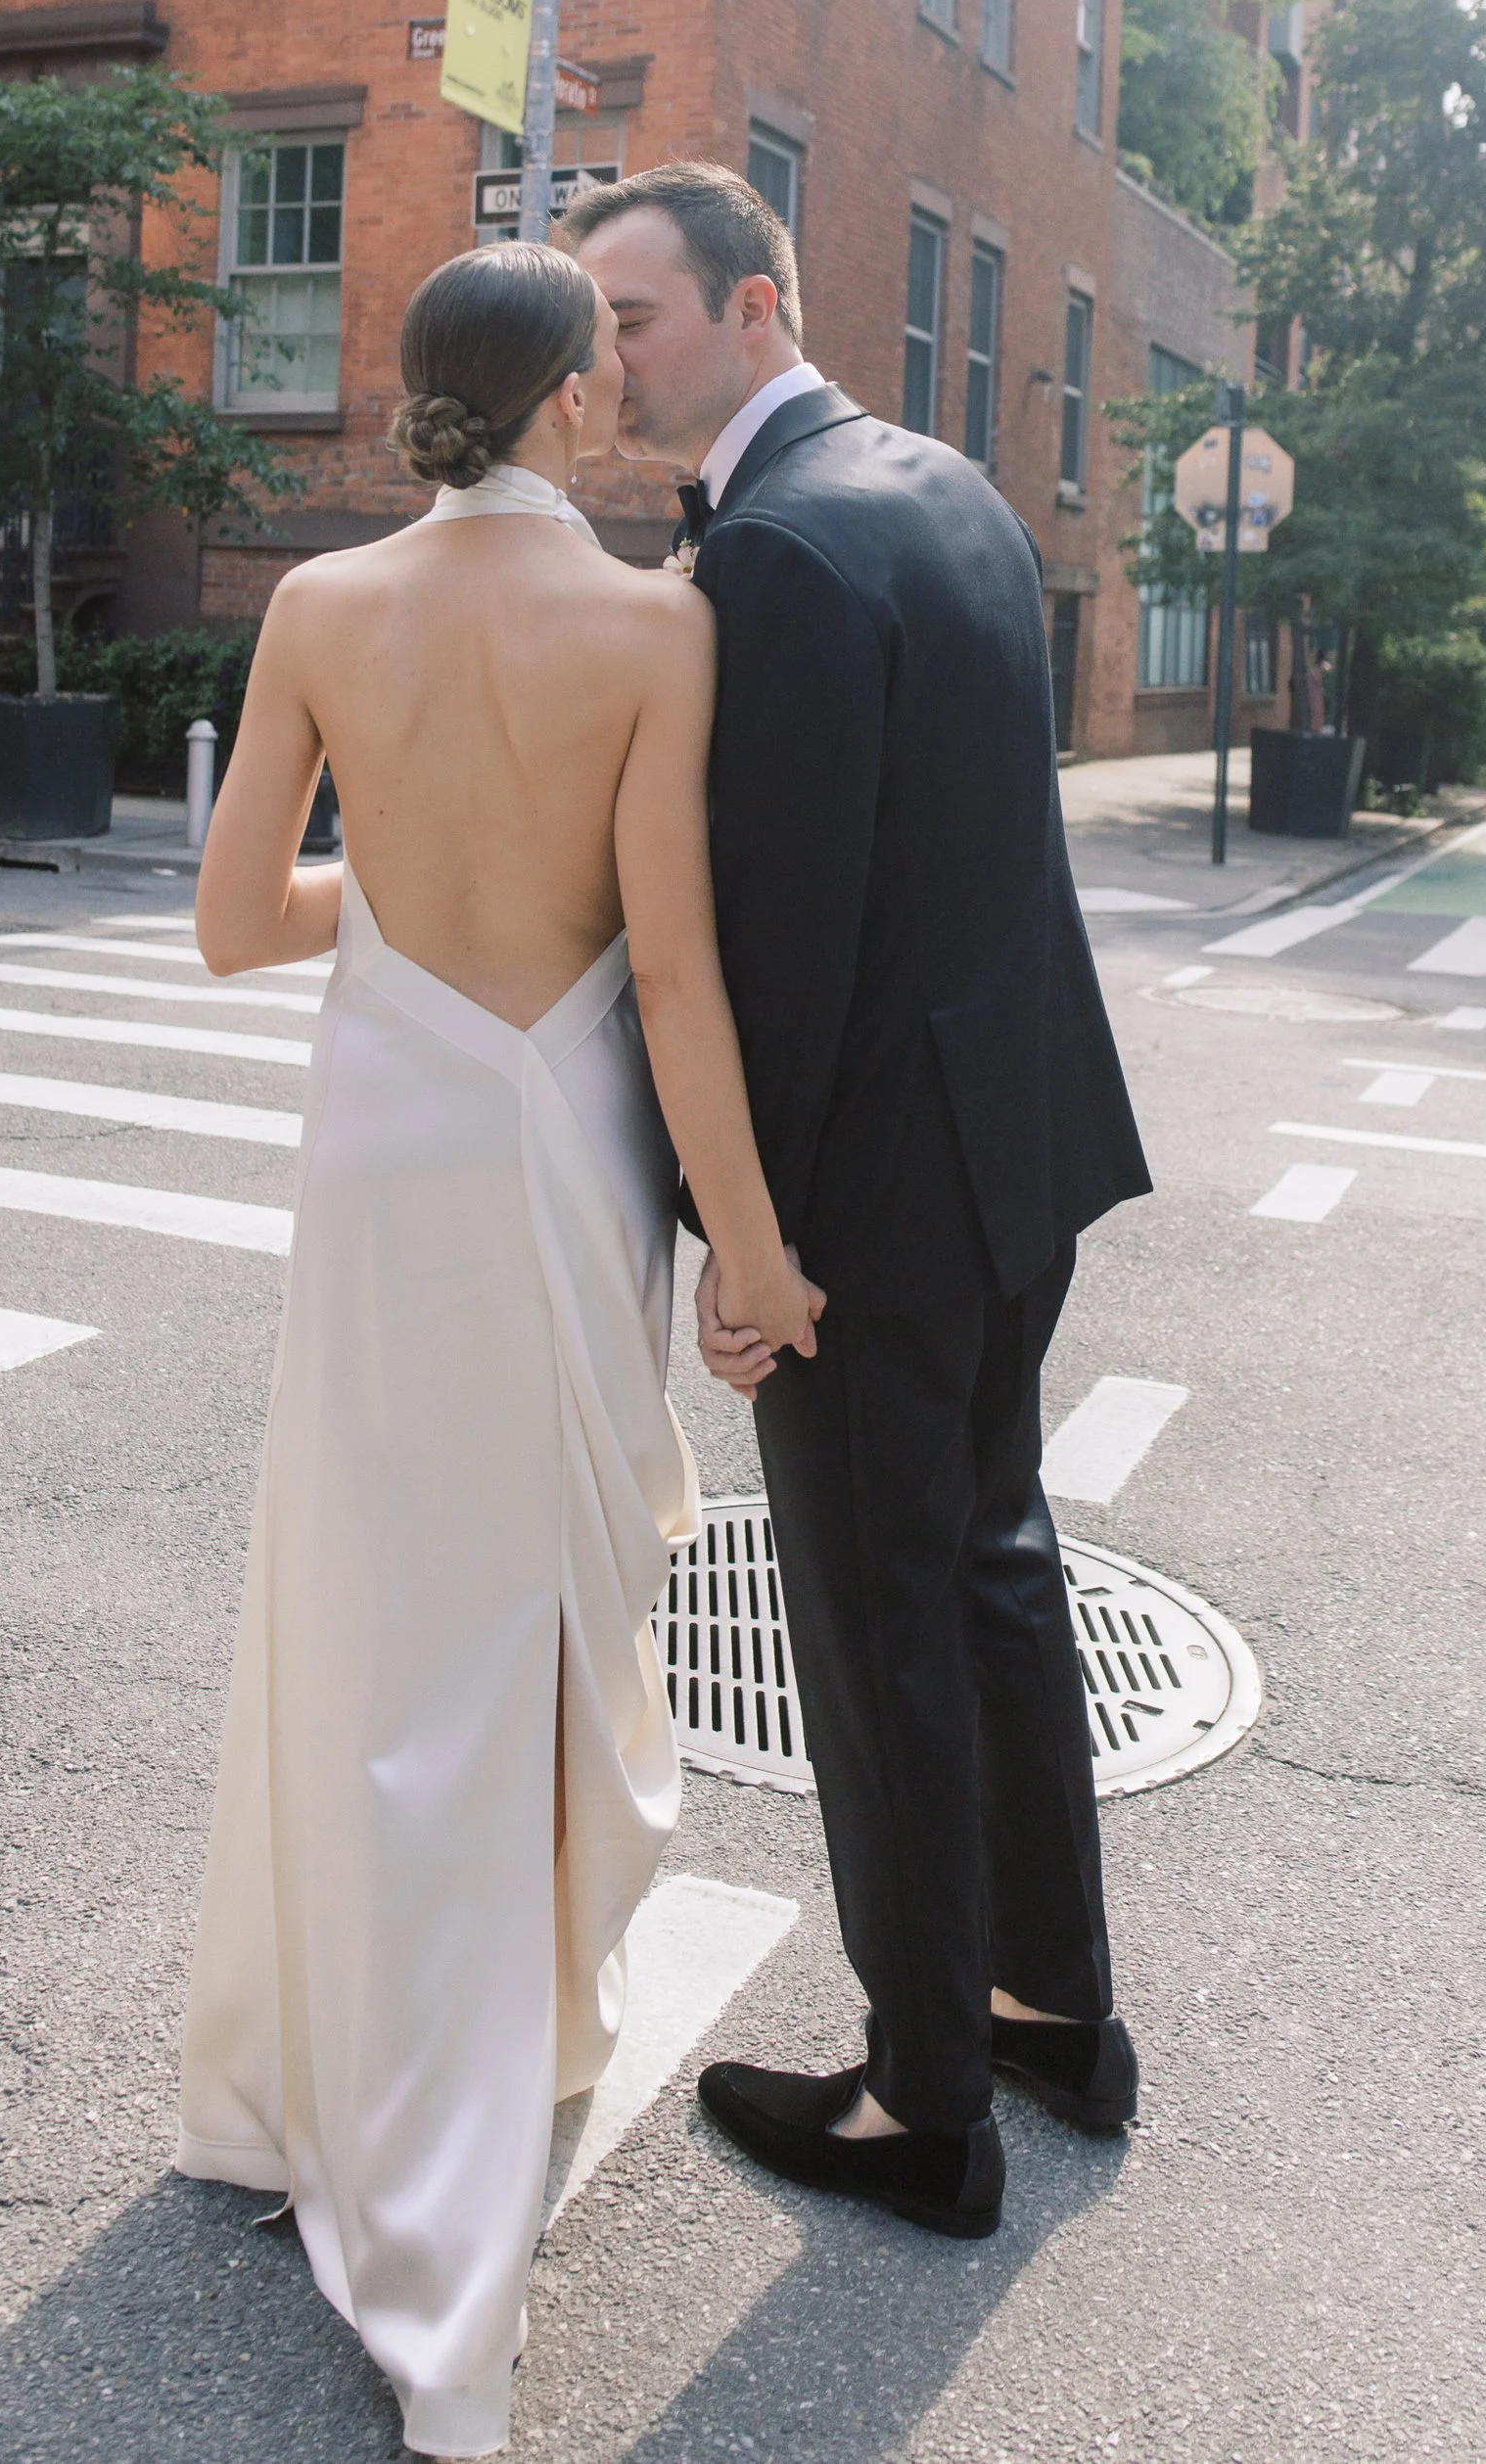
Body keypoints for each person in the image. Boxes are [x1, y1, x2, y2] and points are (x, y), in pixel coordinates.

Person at [176, 241, 818, 2458]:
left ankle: (329, 2064)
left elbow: (233, 920)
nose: (619, 399)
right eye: (601, 374)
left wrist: (408, 886)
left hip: (383, 1137)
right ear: (558, 400)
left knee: (366, 1602)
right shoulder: (657, 623)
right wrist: (751, 1247)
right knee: (537, 1607)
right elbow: (666, 978)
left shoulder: (315, 611)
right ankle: (501, 2042)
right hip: (549, 1138)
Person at [564, 161, 1153, 2241]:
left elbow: (770, 946)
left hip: (881, 1192)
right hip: (1021, 1139)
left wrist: (751, 1240)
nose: (605, 351)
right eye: (593, 317)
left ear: (755, 303)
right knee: (989, 1566)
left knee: (880, 1617)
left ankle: (925, 2103)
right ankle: (1048, 2005)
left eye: (633, 313)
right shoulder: (940, 484)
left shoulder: (786, 552)